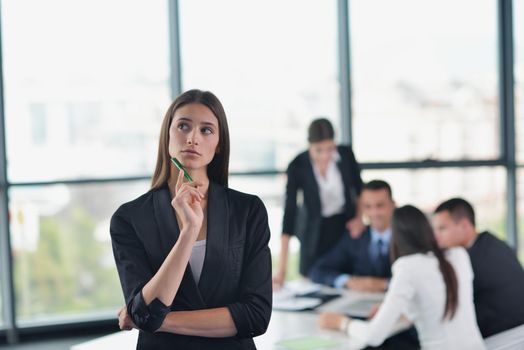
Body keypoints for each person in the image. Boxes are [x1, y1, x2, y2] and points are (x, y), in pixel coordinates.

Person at [110, 89, 272, 349]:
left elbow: (256, 315)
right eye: (183, 126)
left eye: (206, 130)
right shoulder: (129, 218)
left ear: (219, 144)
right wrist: (189, 232)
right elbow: (144, 310)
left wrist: (156, 320)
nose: (192, 138)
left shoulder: (248, 210)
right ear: (168, 135)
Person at [319, 205, 485, 350]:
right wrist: (395, 311)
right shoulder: (458, 255)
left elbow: (374, 336)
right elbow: (434, 302)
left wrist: (342, 322)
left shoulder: (407, 266)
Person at [273, 118, 364, 288]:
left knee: (344, 281)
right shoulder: (297, 165)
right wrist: (281, 270)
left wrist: (359, 218)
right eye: (319, 150)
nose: (325, 156)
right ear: (309, 146)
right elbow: (289, 214)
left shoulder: (345, 155)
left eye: (330, 149)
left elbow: (360, 191)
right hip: (313, 233)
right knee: (312, 283)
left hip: (344, 228)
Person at [433, 197, 524, 337]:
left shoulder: (470, 260)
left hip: (501, 336)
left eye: (442, 229)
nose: (436, 236)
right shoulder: (493, 243)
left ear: (464, 225)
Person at [309, 180, 394, 292]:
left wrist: (385, 284)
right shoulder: (355, 237)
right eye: (368, 207)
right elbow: (318, 271)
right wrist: (347, 280)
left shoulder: (407, 237)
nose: (374, 213)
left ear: (393, 205)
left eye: (380, 206)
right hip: (361, 301)